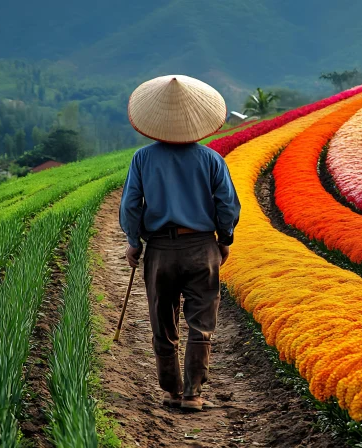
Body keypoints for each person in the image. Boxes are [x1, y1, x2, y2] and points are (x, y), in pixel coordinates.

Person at [119, 75, 241, 412]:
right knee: (201, 322)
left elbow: (131, 205)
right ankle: (193, 394)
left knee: (163, 317)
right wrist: (225, 239)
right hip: (202, 247)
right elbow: (227, 205)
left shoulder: (143, 159)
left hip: (159, 249)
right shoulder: (211, 159)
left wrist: (133, 242)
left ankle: (171, 389)